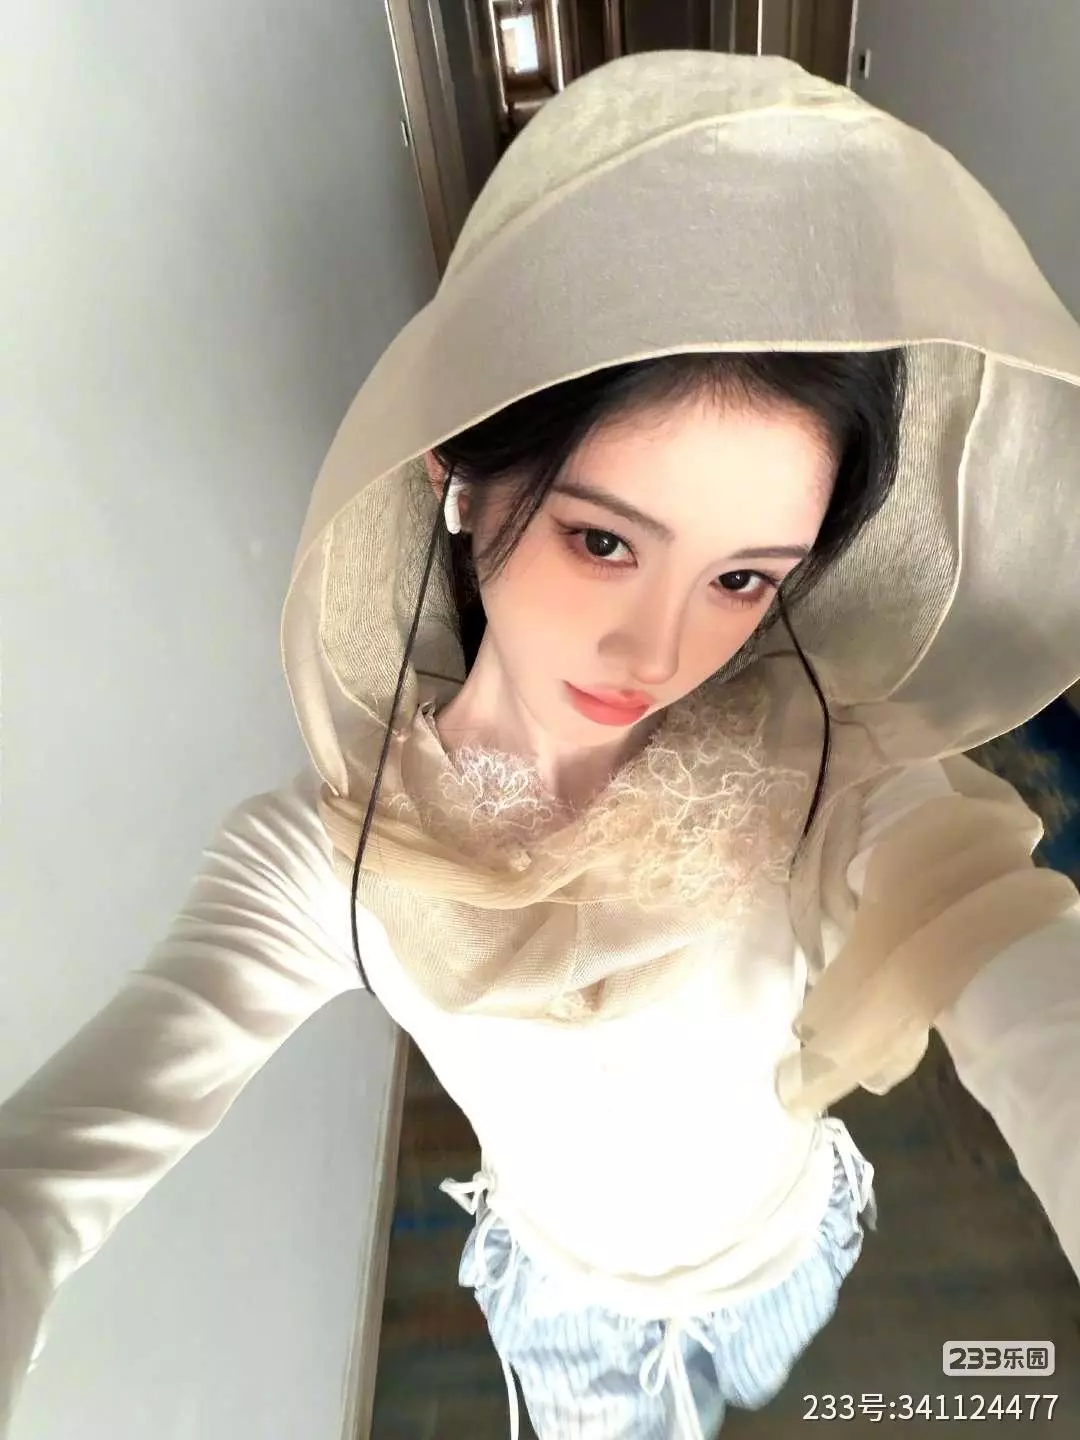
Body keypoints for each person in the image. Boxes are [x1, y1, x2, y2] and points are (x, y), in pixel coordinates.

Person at [4, 49, 1080, 1440]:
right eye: (603, 541)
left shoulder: (834, 784)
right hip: (567, 1308)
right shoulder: (332, 865)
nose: (657, 650)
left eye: (742, 578)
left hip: (782, 1252)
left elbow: (1022, 977)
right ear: (459, 469)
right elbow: (40, 1179)